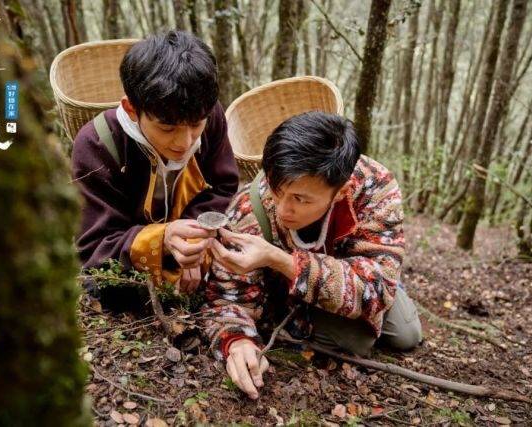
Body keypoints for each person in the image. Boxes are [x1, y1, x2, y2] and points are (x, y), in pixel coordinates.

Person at [201, 111, 422, 399]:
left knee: (406, 335)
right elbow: (224, 296)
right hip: (292, 288)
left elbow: (375, 289)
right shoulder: (248, 209)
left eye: (301, 199)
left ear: (341, 191)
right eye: (277, 190)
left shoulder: (376, 189)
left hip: (358, 269)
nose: (282, 209)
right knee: (353, 339)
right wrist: (237, 340)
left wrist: (282, 261)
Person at [71, 31, 239, 309]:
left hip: (198, 248)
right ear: (132, 109)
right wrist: (162, 240)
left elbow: (223, 187)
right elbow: (93, 248)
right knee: (106, 289)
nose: (185, 142)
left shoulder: (210, 115)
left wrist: (194, 244)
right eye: (167, 128)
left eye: (196, 125)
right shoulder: (97, 143)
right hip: (134, 263)